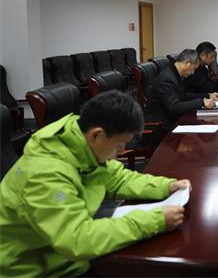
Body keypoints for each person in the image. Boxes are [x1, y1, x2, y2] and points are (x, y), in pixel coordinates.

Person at [0, 91, 191, 277]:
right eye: (119, 145)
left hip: (65, 256)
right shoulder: (45, 174)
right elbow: (76, 240)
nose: (122, 151)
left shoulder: (80, 142)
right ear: (96, 135)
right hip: (35, 269)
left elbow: (118, 179)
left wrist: (166, 186)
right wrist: (155, 221)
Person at [144, 49, 217, 130]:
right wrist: (201, 102)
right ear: (187, 63)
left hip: (173, 119)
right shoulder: (167, 79)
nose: (193, 73)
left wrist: (207, 96)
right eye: (193, 69)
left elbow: (183, 96)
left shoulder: (174, 73)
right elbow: (174, 107)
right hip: (161, 126)